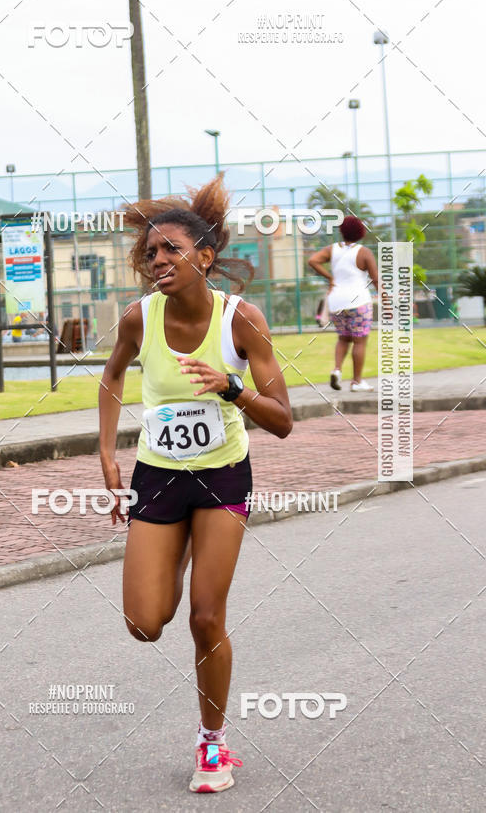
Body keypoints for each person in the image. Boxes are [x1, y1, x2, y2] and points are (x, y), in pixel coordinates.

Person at [98, 175, 293, 794]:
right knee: (145, 622)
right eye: (150, 252)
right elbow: (110, 379)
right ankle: (172, 552)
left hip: (221, 478)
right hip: (156, 478)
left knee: (206, 618)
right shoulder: (138, 319)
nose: (158, 260)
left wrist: (231, 388)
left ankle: (213, 745)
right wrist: (105, 453)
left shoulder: (243, 320)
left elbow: (285, 420)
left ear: (204, 257)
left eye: (171, 250)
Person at [308, 214, 378, 391]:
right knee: (359, 341)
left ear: (342, 231)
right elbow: (376, 280)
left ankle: (337, 370)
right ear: (360, 232)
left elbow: (313, 260)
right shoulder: (364, 252)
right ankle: (356, 382)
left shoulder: (332, 249)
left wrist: (330, 277)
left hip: (337, 301)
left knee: (343, 338)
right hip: (359, 301)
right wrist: (386, 300)